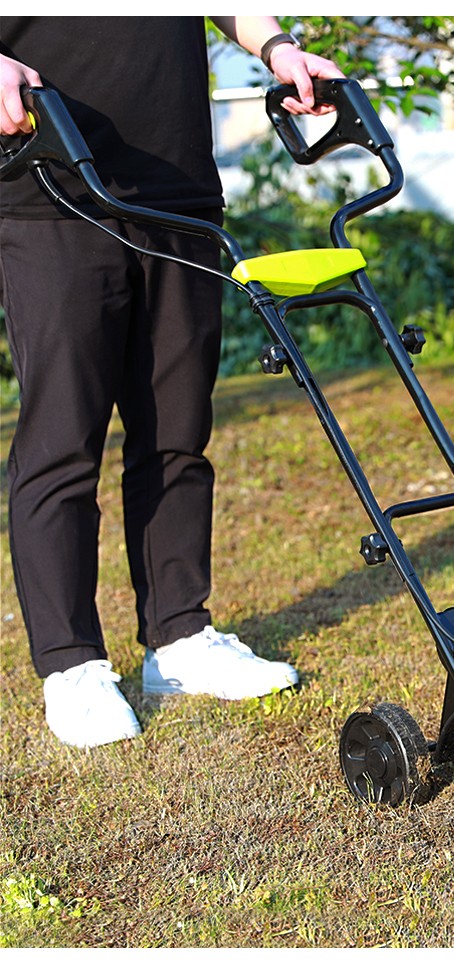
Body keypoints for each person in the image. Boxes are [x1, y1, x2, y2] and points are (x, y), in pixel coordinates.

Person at [0, 17, 344, 748]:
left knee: (178, 430)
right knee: (64, 436)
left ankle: (179, 637)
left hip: (179, 192)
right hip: (52, 185)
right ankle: (72, 664)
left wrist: (278, 49)